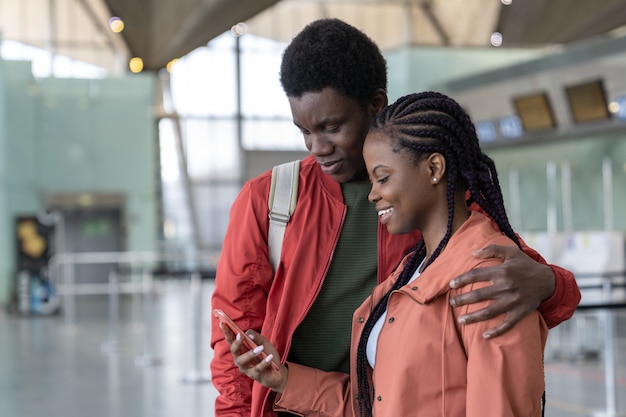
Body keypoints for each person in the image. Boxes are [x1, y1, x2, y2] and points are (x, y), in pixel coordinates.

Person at [210, 18, 580, 417]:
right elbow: (234, 340)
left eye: (332, 127)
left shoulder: (436, 198)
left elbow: (515, 273)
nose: (318, 147)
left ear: (375, 104)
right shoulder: (267, 199)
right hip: (312, 400)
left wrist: (547, 282)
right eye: (304, 131)